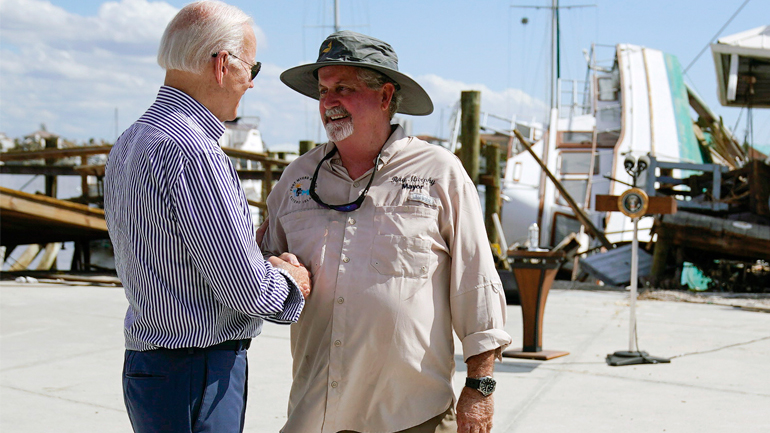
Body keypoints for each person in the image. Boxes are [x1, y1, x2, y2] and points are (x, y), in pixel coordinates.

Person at [261, 31, 511, 433]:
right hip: (316, 415)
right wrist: (273, 268)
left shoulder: (439, 172)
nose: (328, 102)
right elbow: (254, 268)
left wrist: (479, 389)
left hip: (413, 417)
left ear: (385, 96)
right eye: (324, 91)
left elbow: (476, 282)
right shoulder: (297, 179)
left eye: (344, 88)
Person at [103, 2, 311, 432]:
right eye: (251, 70)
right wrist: (291, 280)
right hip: (197, 369)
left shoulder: (130, 140)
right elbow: (250, 292)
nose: (250, 84)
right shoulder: (194, 151)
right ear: (222, 65)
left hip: (149, 363)